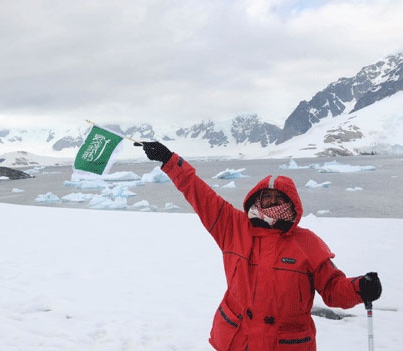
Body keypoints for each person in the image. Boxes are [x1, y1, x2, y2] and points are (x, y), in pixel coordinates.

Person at [135, 141, 382, 351]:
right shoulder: (233, 227)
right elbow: (200, 193)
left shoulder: (307, 243)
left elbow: (332, 289)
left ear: (291, 203)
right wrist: (170, 160)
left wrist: (359, 288)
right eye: (267, 197)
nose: (272, 202)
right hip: (238, 340)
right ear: (257, 199)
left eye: (279, 198)